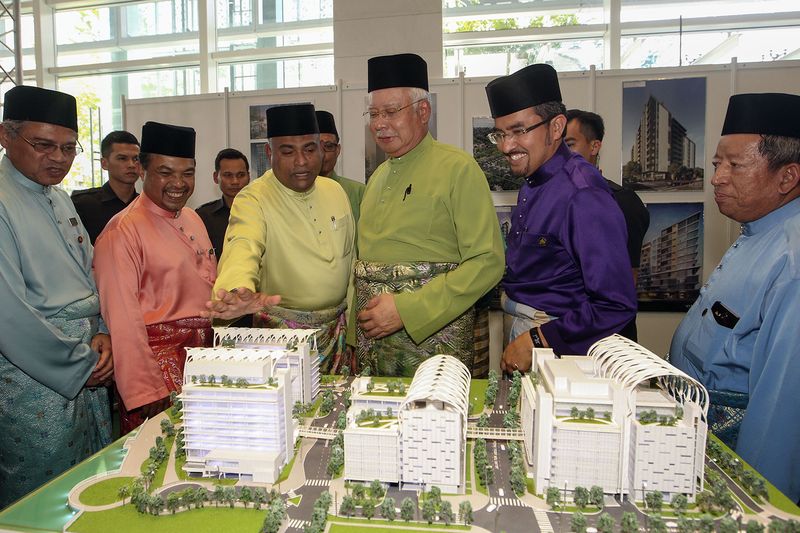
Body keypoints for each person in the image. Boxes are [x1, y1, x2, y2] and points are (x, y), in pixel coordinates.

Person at [669, 92, 800, 502]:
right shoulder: (755, 233)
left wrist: (754, 501)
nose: (717, 178)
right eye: (716, 163)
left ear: (787, 177)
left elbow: (781, 406)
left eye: (735, 165)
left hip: (734, 466)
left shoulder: (791, 260)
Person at [355, 53, 504, 377]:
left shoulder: (459, 168)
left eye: (391, 112)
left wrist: (407, 310)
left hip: (433, 353)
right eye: (374, 113)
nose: (380, 123)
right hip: (374, 353)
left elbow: (487, 262)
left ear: (423, 111)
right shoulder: (377, 177)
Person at [0, 86, 113, 508]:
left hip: (87, 357)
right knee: (42, 493)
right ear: (5, 136)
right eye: (43, 145)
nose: (59, 159)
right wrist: (80, 362)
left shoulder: (60, 197)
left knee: (89, 481)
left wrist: (102, 332)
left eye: (69, 148)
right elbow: (8, 314)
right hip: (34, 376)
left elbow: (90, 273)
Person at [485, 64, 636, 373]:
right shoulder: (535, 180)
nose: (505, 146)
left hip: (561, 355)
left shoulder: (582, 194)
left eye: (518, 131)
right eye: (499, 134)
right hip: (527, 340)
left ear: (556, 128)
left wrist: (539, 341)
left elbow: (615, 305)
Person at [205, 104, 355, 373]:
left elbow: (352, 261)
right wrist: (237, 289)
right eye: (288, 151)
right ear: (269, 152)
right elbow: (244, 244)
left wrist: (354, 332)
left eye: (310, 149)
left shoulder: (335, 191)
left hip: (338, 337)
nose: (301, 161)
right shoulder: (253, 198)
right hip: (282, 343)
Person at [94, 121, 216, 435]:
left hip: (201, 361)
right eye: (165, 172)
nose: (179, 183)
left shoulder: (191, 217)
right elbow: (122, 317)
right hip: (159, 366)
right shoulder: (122, 231)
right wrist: (144, 388)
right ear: (142, 170)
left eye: (187, 173)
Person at [565, 109, 650, 341]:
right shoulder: (556, 201)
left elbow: (625, 283)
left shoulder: (623, 202)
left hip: (607, 339)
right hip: (567, 331)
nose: (562, 153)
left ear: (594, 146)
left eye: (570, 144)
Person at [71, 130, 141, 244]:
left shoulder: (145, 205)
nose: (131, 165)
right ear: (104, 163)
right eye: (122, 158)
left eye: (136, 159)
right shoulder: (83, 204)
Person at [195, 148, 251, 258]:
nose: (235, 181)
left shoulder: (263, 211)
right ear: (216, 177)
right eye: (228, 175)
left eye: (240, 175)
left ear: (248, 177)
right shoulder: (202, 217)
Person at [315, 110, 365, 223]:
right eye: (315, 147)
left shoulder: (358, 192)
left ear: (338, 150)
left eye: (328, 146)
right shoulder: (296, 193)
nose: (322, 154)